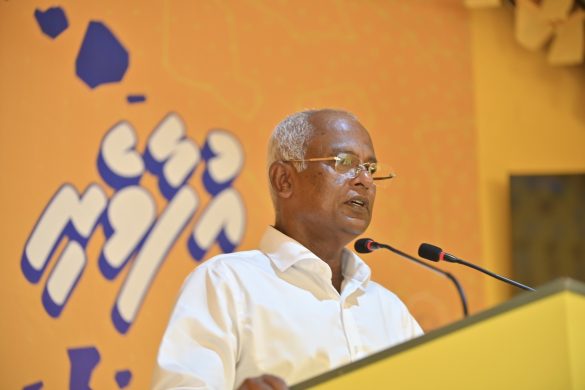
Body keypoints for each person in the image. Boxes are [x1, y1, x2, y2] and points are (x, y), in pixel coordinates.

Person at [152, 109, 423, 389]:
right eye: (345, 162)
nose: (365, 180)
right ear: (284, 179)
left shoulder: (389, 310)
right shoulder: (226, 284)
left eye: (371, 168)